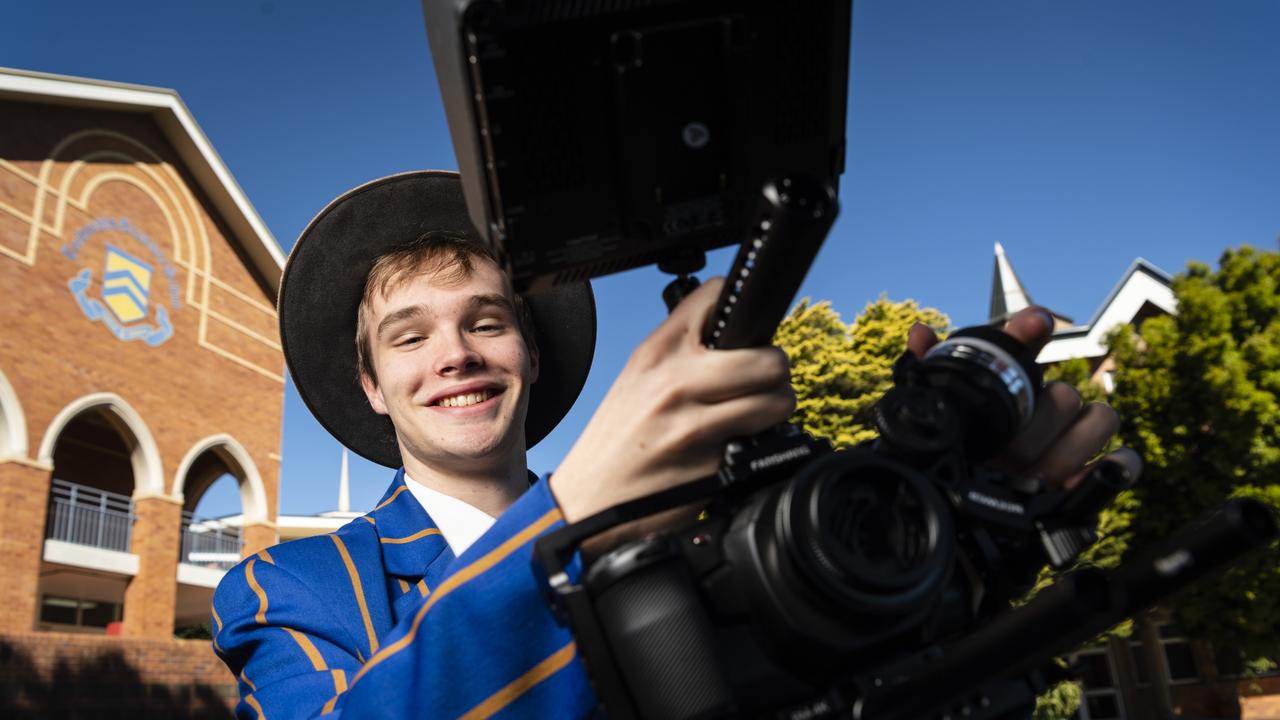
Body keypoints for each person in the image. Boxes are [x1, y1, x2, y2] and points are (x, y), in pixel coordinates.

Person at [212, 171, 1139, 719]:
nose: (455, 354)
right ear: (373, 386)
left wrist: (945, 551)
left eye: (485, 322)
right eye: (409, 337)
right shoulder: (288, 589)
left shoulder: (703, 538)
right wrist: (580, 521)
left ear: (529, 352)